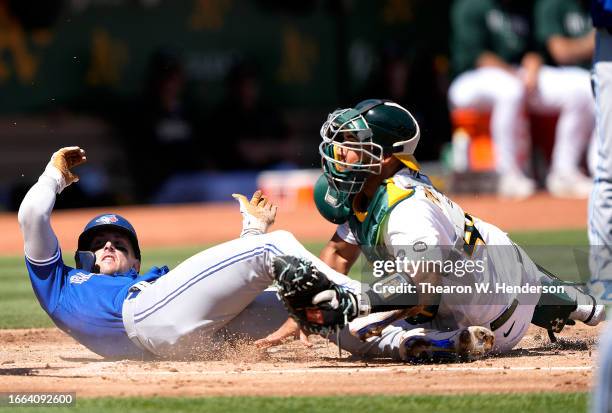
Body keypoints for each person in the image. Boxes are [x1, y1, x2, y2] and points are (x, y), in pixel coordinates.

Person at [262, 99, 605, 362]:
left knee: (360, 329)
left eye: (353, 143)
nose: (339, 151)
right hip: (498, 262)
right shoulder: (372, 188)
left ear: (383, 158)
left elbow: (421, 287)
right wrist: (302, 313)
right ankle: (570, 298)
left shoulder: (407, 210)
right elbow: (338, 253)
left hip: (489, 323)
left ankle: (559, 298)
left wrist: (354, 303)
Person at [16, 146, 361, 359]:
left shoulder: (156, 283)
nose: (108, 245)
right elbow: (32, 215)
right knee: (274, 245)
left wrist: (251, 232)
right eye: (97, 243)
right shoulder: (59, 284)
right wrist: (53, 176)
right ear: (82, 258)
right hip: (148, 321)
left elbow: (211, 297)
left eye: (120, 244)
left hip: (192, 337)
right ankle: (385, 298)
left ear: (136, 263)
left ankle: (403, 334)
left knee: (315, 310)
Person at [449, 0, 594, 198]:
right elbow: (477, 55)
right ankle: (507, 174)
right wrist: (514, 74)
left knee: (581, 87)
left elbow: (533, 49)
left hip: (516, 74)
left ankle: (564, 171)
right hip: (469, 80)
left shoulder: (520, 6)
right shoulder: (471, 5)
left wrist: (533, 63)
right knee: (511, 91)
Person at [534, 0, 596, 197]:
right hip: (545, 76)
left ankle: (600, 168)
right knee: (583, 87)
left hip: (585, 76)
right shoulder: (553, 4)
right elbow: (561, 52)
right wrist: (598, 39)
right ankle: (563, 171)